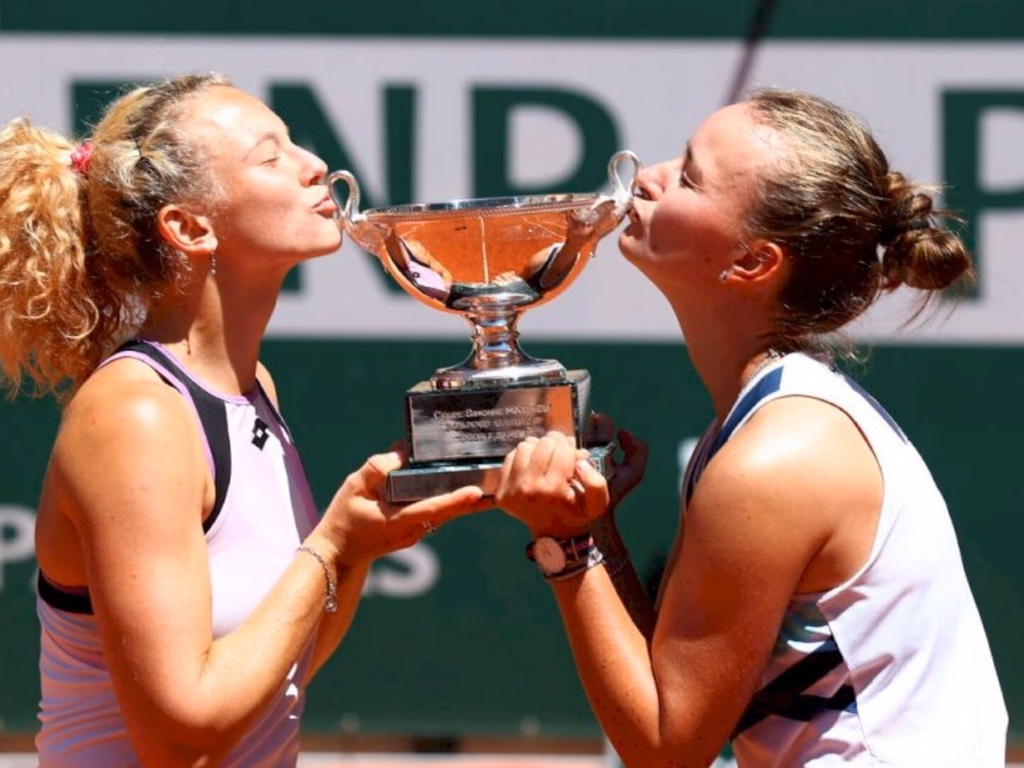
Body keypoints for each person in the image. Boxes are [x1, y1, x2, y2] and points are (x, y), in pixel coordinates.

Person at [493, 88, 1008, 767]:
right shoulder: (768, 424)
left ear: (751, 263)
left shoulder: (774, 458)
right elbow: (668, 687)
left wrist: (563, 540)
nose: (648, 175)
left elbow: (667, 749)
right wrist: (595, 534)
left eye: (689, 177)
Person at [0, 73, 489, 766]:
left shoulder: (255, 386)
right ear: (189, 227)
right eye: (271, 156)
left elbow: (277, 673)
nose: (314, 164)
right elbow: (180, 736)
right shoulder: (137, 416)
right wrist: (326, 547)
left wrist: (351, 553)